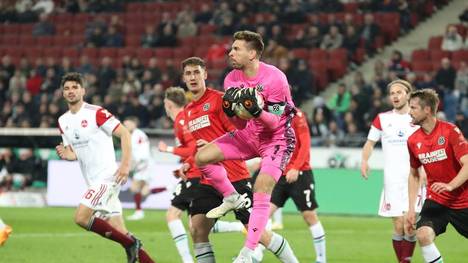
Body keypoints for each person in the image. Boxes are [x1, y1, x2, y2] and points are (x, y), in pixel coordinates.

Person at [180, 57, 298, 263]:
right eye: (188, 73)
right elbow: (197, 144)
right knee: (197, 229)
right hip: (209, 180)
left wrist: (213, 144)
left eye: (196, 72)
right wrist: (190, 161)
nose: (193, 77)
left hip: (234, 176)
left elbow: (240, 130)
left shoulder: (220, 99)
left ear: (205, 74)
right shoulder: (188, 111)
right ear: (183, 78)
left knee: (261, 235)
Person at [55, 72, 155, 263]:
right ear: (62, 93)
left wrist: (125, 165)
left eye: (75, 87)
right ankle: (135, 247)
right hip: (92, 180)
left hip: (108, 177)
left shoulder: (96, 112)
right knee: (121, 231)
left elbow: (125, 134)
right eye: (67, 88)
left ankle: (130, 244)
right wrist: (70, 155)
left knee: (81, 217)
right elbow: (75, 151)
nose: (71, 91)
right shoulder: (63, 121)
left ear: (83, 90)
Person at [159, 86, 244, 263]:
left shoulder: (183, 119)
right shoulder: (185, 117)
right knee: (197, 225)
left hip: (197, 174)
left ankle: (187, 260)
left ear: (168, 104)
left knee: (172, 215)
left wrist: (168, 149)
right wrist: (186, 163)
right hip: (195, 170)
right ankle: (238, 226)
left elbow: (194, 147)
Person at [361, 79, 424, 263]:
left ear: (408, 95)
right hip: (392, 180)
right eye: (392, 93)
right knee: (398, 226)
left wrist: (427, 170)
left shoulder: (417, 118)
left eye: (399, 92)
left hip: (414, 178)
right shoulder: (382, 118)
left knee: (410, 225)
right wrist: (365, 160)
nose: (395, 96)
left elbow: (427, 146)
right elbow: (370, 143)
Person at [406, 89, 468, 263]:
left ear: (427, 110)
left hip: (463, 200)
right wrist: (411, 208)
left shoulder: (450, 131)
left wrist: (451, 185)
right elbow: (414, 174)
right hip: (437, 200)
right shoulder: (412, 140)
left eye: (413, 108)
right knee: (423, 235)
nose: (410, 112)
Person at [270, 109, 327, 263]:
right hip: (281, 174)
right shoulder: (271, 115)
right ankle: (254, 255)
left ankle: (321, 259)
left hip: (300, 173)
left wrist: (296, 167)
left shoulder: (297, 115)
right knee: (263, 214)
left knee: (309, 216)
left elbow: (305, 143)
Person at [124, 117, 166, 221]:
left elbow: (142, 154)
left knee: (134, 188)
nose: (125, 127)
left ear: (134, 124)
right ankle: (169, 187)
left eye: (127, 124)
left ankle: (139, 212)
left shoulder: (138, 135)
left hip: (144, 164)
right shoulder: (132, 135)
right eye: (124, 125)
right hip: (144, 164)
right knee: (143, 192)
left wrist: (132, 167)